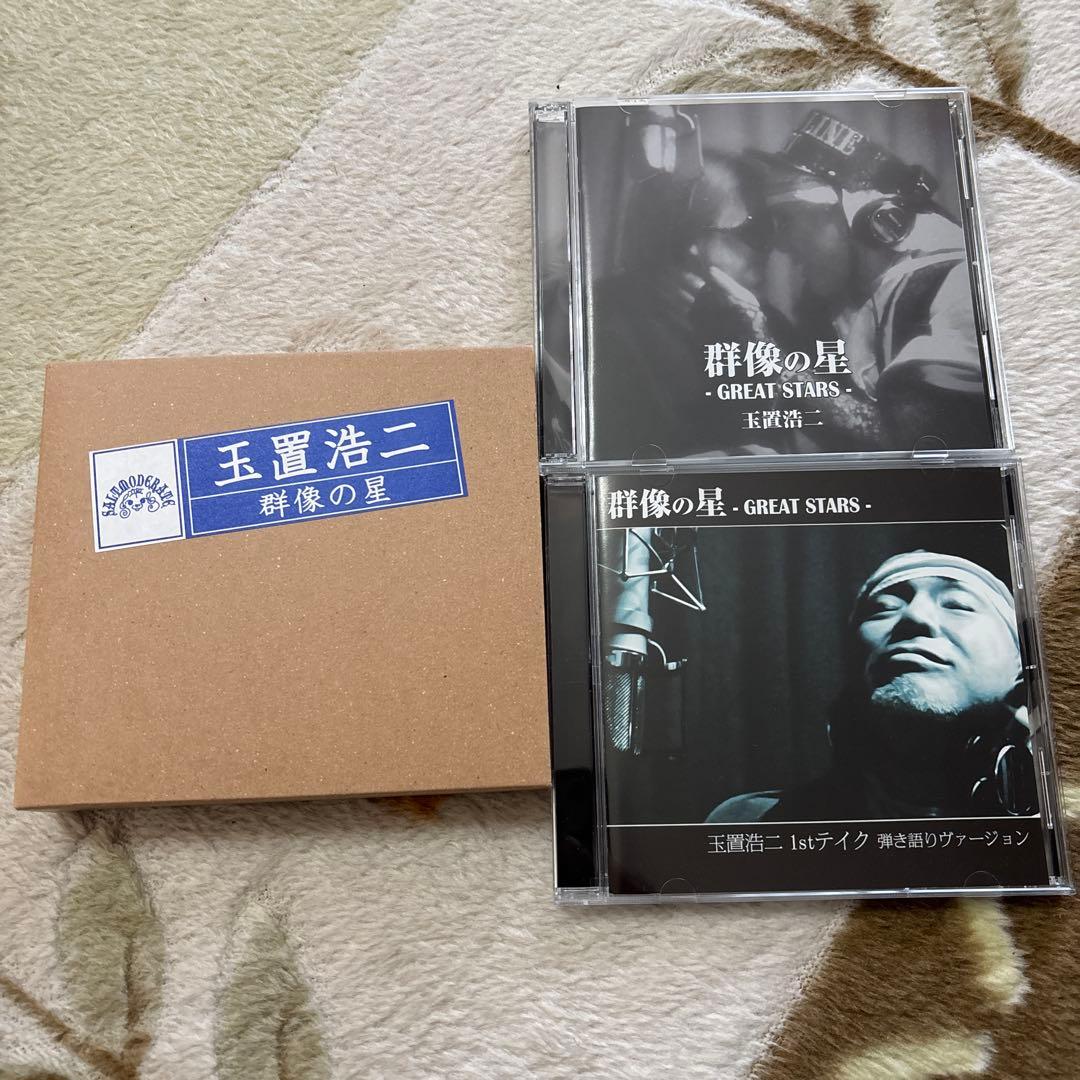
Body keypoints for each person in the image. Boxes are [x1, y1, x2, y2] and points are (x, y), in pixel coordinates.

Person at [707, 551, 1036, 822]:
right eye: (884, 608)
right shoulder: (751, 821)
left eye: (958, 604)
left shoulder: (1055, 821)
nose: (914, 616)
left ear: (1020, 667)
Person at [756, 109, 994, 451]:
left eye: (789, 219)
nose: (780, 244)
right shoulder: (859, 303)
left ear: (865, 216)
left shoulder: (956, 287)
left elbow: (918, 445)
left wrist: (776, 363)